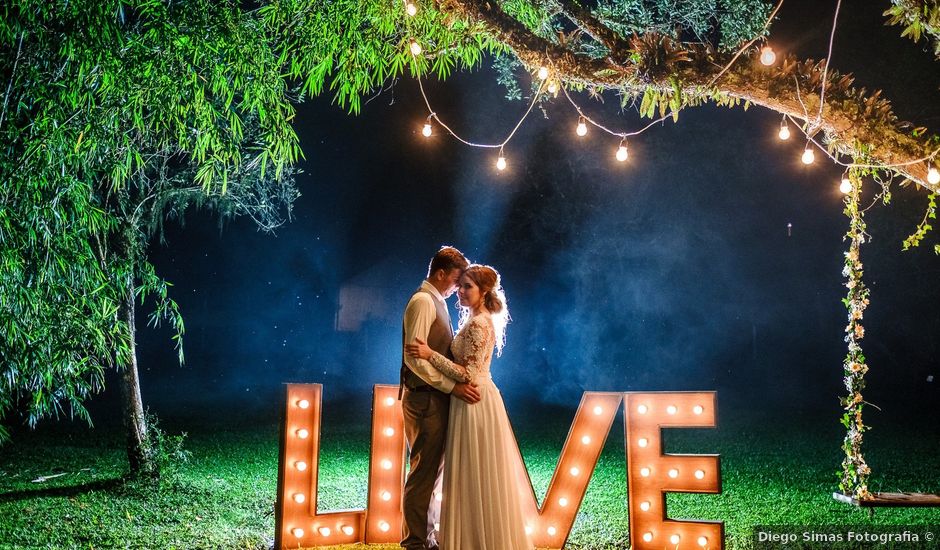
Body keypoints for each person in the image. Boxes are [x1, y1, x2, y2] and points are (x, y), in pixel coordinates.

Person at [406, 264, 533, 550]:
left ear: (483, 291)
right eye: (460, 285)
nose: (460, 291)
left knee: (476, 470)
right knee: (467, 471)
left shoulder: (479, 323)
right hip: (466, 399)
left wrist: (430, 354)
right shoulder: (473, 319)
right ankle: (471, 535)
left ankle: (479, 539)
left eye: (467, 287)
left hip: (474, 399)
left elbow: (469, 374)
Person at [400, 246, 481, 550]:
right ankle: (414, 543)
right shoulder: (423, 302)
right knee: (423, 474)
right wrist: (452, 387)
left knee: (433, 473)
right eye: (457, 280)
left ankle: (426, 537)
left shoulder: (437, 302)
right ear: (442, 273)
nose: (458, 287)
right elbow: (414, 360)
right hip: (425, 399)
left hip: (435, 399)